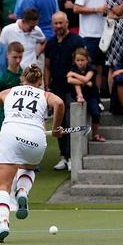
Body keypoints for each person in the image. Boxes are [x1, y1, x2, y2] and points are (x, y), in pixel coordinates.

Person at [0, 64, 65, 243]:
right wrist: (56, 129)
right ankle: (23, 190)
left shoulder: (9, 92)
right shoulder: (45, 94)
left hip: (10, 135)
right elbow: (59, 103)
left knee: (2, 186)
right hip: (36, 138)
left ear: (22, 79)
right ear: (40, 82)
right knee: (28, 168)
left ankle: (2, 223)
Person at [45, 11, 85, 171]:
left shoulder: (77, 40)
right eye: (55, 23)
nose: (58, 26)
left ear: (67, 23)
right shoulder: (50, 43)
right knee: (59, 123)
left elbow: (84, 63)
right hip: (56, 89)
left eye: (61, 22)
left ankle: (72, 157)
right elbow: (47, 66)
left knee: (70, 123)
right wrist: (46, 86)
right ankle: (63, 156)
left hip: (72, 90)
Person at [74, 0, 110, 87]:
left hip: (103, 34)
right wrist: (96, 9)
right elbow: (76, 8)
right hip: (88, 34)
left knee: (100, 67)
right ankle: (87, 94)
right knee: (87, 66)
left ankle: (97, 93)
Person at [67, 47, 104, 141]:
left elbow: (87, 78)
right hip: (78, 94)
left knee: (95, 113)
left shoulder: (91, 68)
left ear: (87, 60)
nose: (80, 63)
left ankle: (95, 134)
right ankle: (80, 96)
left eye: (82, 60)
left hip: (91, 94)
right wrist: (85, 82)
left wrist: (74, 75)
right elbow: (69, 80)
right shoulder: (74, 67)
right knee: (76, 84)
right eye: (78, 60)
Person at [0, 41, 24, 127]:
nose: (18, 60)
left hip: (23, 120)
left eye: (20, 57)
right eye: (15, 57)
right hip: (6, 120)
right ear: (7, 55)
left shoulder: (26, 75)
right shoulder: (2, 79)